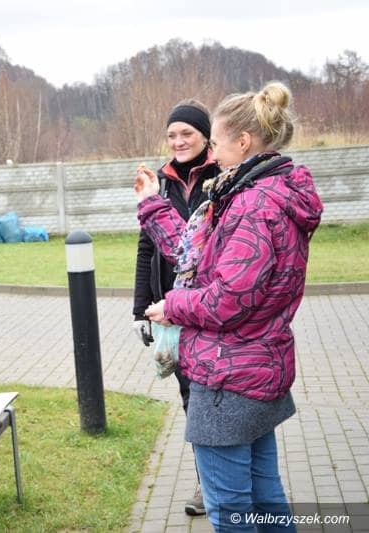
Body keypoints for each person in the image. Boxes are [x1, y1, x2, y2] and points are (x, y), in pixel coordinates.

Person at [135, 82, 323, 531]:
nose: (212, 154)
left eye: (215, 143)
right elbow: (195, 256)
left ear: (243, 142)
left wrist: (172, 305)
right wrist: (152, 205)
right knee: (264, 498)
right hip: (254, 366)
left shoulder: (254, 205)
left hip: (228, 375)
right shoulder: (258, 193)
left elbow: (228, 300)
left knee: (231, 509)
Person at [131, 99, 219, 516]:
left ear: (205, 136)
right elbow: (147, 246)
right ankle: (208, 483)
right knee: (189, 397)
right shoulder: (161, 182)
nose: (179, 141)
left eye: (187, 133)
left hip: (210, 305)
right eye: (172, 135)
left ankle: (224, 483)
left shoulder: (222, 176)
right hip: (170, 309)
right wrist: (139, 310)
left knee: (213, 396)